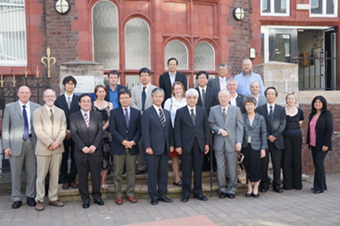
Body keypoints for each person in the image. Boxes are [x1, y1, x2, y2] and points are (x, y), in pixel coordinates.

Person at [2, 86, 40, 209]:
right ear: (18, 94)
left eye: (26, 93)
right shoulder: (9, 107)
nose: (24, 95)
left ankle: (30, 196)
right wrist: (6, 146)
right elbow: (5, 128)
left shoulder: (36, 107)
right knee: (16, 172)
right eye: (22, 93)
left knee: (32, 171)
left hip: (32, 143)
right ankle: (16, 198)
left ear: (30, 94)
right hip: (15, 144)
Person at [174, 89, 210, 202]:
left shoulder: (202, 110)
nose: (192, 100)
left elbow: (206, 128)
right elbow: (177, 130)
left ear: (197, 99)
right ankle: (186, 193)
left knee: (198, 169)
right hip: (185, 145)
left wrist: (207, 143)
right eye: (189, 97)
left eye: (194, 97)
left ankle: (198, 192)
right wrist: (178, 145)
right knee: (186, 169)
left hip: (199, 143)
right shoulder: (180, 112)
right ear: (186, 99)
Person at [33, 89, 66, 211]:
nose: (50, 98)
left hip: (57, 148)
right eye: (47, 96)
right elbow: (38, 131)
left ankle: (53, 197)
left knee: (54, 175)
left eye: (52, 96)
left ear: (55, 97)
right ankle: (39, 200)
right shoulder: (37, 112)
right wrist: (50, 143)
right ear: (44, 98)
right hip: (43, 148)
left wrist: (56, 142)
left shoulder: (61, 112)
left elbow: (63, 129)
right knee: (41, 176)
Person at [70, 94, 104, 208]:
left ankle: (97, 197)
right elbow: (73, 133)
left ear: (91, 103)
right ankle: (85, 199)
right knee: (82, 177)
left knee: (96, 176)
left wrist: (95, 145)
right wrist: (82, 147)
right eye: (83, 101)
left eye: (88, 101)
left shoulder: (97, 115)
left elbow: (100, 131)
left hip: (95, 151)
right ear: (79, 103)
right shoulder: (73, 116)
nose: (86, 103)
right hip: (81, 152)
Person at [209, 90, 244, 199]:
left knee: (232, 167)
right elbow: (210, 124)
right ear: (218, 98)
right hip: (219, 143)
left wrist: (239, 142)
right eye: (221, 97)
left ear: (229, 98)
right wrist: (219, 130)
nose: (223, 99)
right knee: (220, 167)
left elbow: (240, 127)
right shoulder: (213, 109)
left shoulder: (236, 110)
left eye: (225, 97)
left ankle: (232, 189)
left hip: (232, 143)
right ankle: (222, 189)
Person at [142, 88, 174, 205]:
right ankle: (153, 195)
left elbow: (169, 130)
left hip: (165, 147)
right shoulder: (147, 112)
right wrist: (147, 146)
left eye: (160, 96)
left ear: (163, 98)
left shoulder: (166, 112)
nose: (158, 98)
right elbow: (145, 131)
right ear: (152, 98)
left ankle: (162, 193)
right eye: (156, 96)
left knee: (163, 172)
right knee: (153, 173)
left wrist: (171, 144)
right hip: (152, 148)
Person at [110, 89, 141, 205]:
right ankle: (118, 195)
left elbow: (139, 129)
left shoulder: (136, 112)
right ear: (119, 99)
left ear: (130, 98)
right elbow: (112, 129)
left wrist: (133, 141)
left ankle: (130, 193)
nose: (124, 100)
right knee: (117, 172)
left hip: (132, 146)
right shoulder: (114, 112)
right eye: (122, 98)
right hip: (118, 146)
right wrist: (123, 141)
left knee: (131, 171)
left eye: (126, 97)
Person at [256, 87, 286, 193]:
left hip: (277, 141)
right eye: (268, 94)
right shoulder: (259, 109)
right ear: (265, 96)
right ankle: (264, 184)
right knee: (263, 164)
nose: (270, 96)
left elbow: (283, 125)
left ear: (276, 96)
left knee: (276, 164)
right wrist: (268, 135)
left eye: (272, 94)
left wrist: (274, 136)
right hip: (264, 140)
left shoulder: (281, 109)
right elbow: (258, 124)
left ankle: (277, 185)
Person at [130, 67, 157, 175]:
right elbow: (132, 103)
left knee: (152, 142)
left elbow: (156, 102)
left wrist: (147, 113)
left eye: (146, 75)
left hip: (151, 119)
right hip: (138, 119)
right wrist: (140, 112)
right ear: (139, 77)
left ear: (150, 77)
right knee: (140, 142)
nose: (144, 77)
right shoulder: (134, 89)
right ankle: (141, 166)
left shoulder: (155, 89)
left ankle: (152, 165)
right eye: (142, 75)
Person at [55, 76, 79, 190]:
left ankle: (72, 179)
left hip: (76, 133)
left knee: (75, 156)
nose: (70, 86)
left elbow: (80, 117)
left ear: (74, 86)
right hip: (61, 133)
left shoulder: (78, 100)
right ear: (63, 85)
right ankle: (64, 179)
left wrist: (72, 131)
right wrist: (64, 130)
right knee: (63, 157)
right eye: (68, 84)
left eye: (72, 84)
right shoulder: (58, 100)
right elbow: (55, 118)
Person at [241, 95, 268, 198]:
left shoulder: (260, 118)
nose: (249, 106)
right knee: (246, 168)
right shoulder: (242, 117)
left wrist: (263, 148)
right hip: (245, 146)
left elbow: (264, 134)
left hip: (257, 147)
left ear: (255, 105)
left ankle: (256, 189)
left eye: (251, 104)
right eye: (247, 104)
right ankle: (249, 189)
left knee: (256, 168)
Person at [306, 96, 333, 194]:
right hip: (313, 143)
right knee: (317, 164)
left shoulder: (327, 114)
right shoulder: (312, 115)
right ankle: (322, 184)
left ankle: (319, 187)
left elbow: (329, 130)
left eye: (319, 102)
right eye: (315, 102)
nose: (317, 104)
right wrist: (308, 141)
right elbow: (310, 129)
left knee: (318, 162)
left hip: (322, 144)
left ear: (323, 104)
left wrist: (326, 144)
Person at [164, 81, 187, 186]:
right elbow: (166, 118)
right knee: (175, 156)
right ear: (173, 90)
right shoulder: (169, 102)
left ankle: (186, 177)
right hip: (173, 131)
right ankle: (177, 178)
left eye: (180, 88)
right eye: (176, 89)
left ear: (183, 90)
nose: (178, 91)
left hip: (186, 131)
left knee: (186, 155)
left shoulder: (187, 101)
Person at [195, 71, 219, 171]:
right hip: (197, 122)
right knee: (201, 142)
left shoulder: (213, 91)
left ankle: (213, 165)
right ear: (197, 80)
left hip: (211, 120)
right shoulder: (193, 91)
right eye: (199, 78)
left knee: (212, 142)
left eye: (203, 77)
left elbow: (216, 104)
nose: (201, 79)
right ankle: (203, 164)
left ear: (207, 80)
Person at [93, 85, 113, 190]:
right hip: (94, 134)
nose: (101, 93)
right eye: (99, 91)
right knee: (95, 158)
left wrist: (103, 129)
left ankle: (103, 181)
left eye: (103, 91)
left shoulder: (110, 104)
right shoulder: (91, 104)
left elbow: (111, 119)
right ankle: (95, 181)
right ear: (95, 93)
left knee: (105, 158)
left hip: (106, 135)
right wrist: (98, 131)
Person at [283, 92, 304, 190]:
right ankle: (287, 184)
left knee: (296, 160)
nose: (290, 100)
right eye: (289, 98)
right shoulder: (282, 111)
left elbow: (300, 123)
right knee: (287, 160)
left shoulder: (300, 111)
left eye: (292, 98)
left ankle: (297, 184)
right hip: (285, 137)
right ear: (286, 100)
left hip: (297, 137)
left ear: (295, 100)